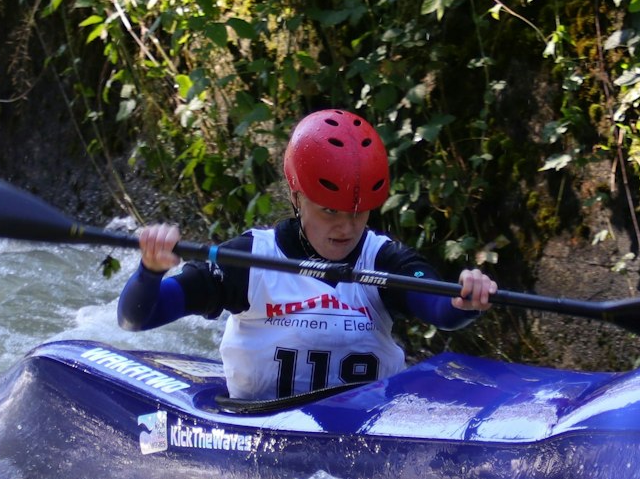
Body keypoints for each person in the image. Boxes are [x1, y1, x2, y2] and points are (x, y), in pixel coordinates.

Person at [118, 109, 497, 399]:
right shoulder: (250, 260)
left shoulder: (383, 260)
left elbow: (438, 308)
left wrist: (463, 301)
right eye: (329, 211)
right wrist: (150, 272)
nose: (346, 228)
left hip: (362, 440)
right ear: (297, 197)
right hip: (260, 431)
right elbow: (137, 319)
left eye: (357, 213)